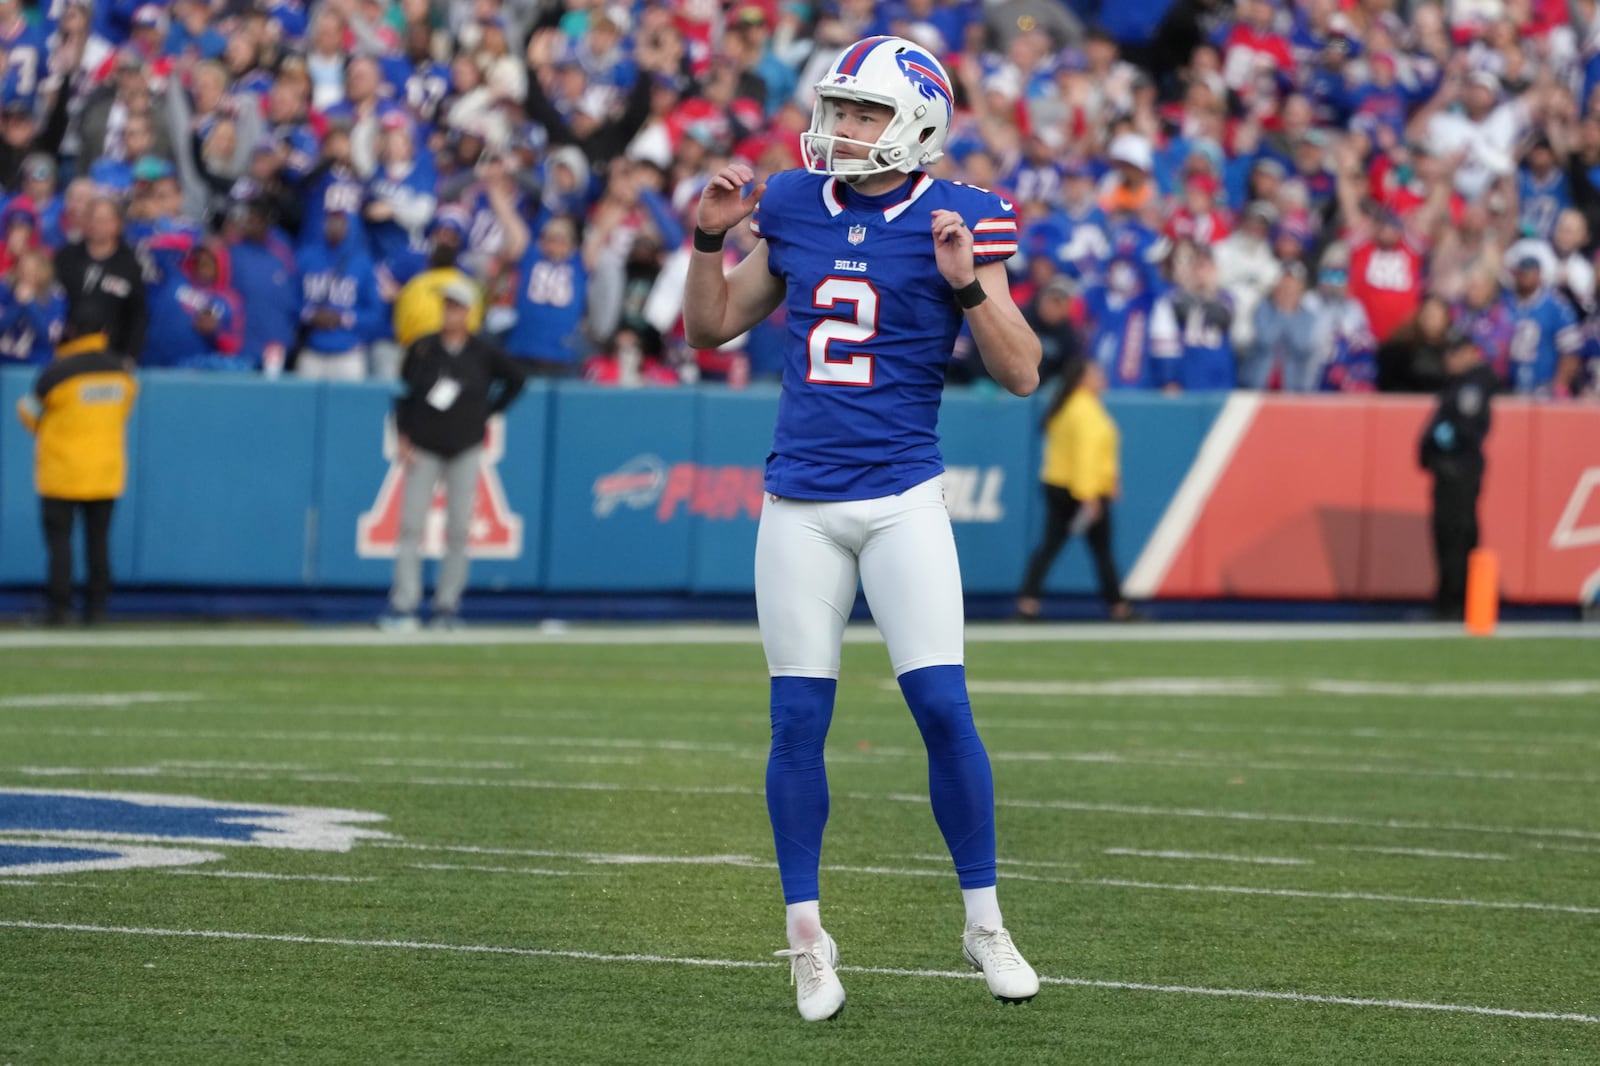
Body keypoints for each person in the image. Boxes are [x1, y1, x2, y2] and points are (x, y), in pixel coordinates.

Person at [682, 36, 1041, 1022]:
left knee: (941, 706)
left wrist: (968, 286)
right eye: (838, 108)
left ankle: (983, 920)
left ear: (918, 121)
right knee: (796, 722)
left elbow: (1020, 373)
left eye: (864, 113)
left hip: (900, 500)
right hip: (799, 501)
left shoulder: (964, 213)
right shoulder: (792, 203)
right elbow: (709, 330)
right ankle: (806, 938)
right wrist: (709, 242)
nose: (841, 127)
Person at [379, 279, 526, 632]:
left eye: (457, 307)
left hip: (464, 445)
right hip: (424, 445)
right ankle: (404, 604)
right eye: (447, 306)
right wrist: (403, 435)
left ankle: (447, 605)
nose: (450, 313)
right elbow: (403, 393)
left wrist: (488, 412)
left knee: (459, 529)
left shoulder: (482, 352)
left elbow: (518, 380)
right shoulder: (424, 348)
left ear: (469, 313)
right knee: (411, 526)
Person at [13, 326, 138, 626]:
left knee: (60, 543)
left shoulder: (57, 373)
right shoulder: (120, 371)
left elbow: (29, 412)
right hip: (105, 470)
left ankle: (61, 609)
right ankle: (97, 609)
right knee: (99, 543)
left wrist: (54, 430)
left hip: (62, 471)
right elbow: (125, 405)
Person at [1015, 359, 1136, 622]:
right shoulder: (1083, 409)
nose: (1102, 377)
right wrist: (1090, 495)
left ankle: (1029, 601)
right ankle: (1118, 606)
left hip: (1063, 485)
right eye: (1096, 373)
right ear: (1083, 379)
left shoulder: (1072, 404)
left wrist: (1108, 482)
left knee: (1053, 546)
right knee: (1098, 550)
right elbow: (1086, 456)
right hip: (1078, 489)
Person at [1419, 329, 1497, 621]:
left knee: (1456, 534)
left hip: (1458, 471)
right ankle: (1451, 598)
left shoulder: (1472, 386)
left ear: (1469, 353)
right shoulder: (1461, 383)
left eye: (1455, 352)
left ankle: (1455, 602)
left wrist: (1439, 441)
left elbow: (1464, 430)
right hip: (1452, 470)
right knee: (1449, 534)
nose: (1448, 359)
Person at [52, 196, 148, 364]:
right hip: (66, 352)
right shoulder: (66, 257)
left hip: (112, 355)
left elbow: (138, 314)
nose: (97, 225)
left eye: (104, 220)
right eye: (93, 219)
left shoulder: (130, 264)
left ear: (117, 224)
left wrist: (131, 355)